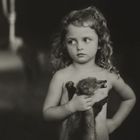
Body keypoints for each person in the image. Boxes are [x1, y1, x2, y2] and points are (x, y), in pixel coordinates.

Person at [43, 6, 136, 140]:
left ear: (99, 43)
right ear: (64, 44)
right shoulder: (61, 76)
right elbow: (47, 114)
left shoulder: (107, 75)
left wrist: (115, 122)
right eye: (72, 41)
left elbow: (130, 98)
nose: (79, 47)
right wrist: (70, 107)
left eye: (86, 39)